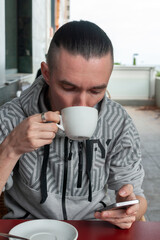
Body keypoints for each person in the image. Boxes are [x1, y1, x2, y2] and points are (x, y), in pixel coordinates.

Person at [0, 20, 147, 229]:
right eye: (68, 88)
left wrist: (130, 210)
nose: (82, 103)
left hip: (95, 229)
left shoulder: (118, 121)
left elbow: (138, 199)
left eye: (95, 91)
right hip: (28, 232)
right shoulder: (11, 116)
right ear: (47, 73)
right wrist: (10, 149)